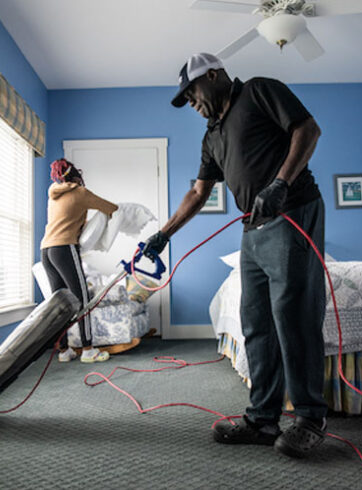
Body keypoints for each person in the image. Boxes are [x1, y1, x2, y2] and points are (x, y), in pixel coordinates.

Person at [142, 53, 327, 458]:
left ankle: (310, 418)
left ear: (213, 76)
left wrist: (281, 183)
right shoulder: (212, 136)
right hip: (251, 229)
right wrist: (162, 235)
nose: (191, 102)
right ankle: (262, 420)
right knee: (256, 322)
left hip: (292, 211)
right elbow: (197, 192)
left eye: (192, 92)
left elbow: (307, 129)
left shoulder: (259, 90)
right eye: (186, 98)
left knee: (293, 315)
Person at [41, 158, 117, 363]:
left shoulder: (53, 195)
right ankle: (88, 349)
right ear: (77, 175)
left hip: (46, 250)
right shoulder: (81, 193)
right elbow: (111, 208)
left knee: (60, 302)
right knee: (83, 299)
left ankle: (64, 351)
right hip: (65, 248)